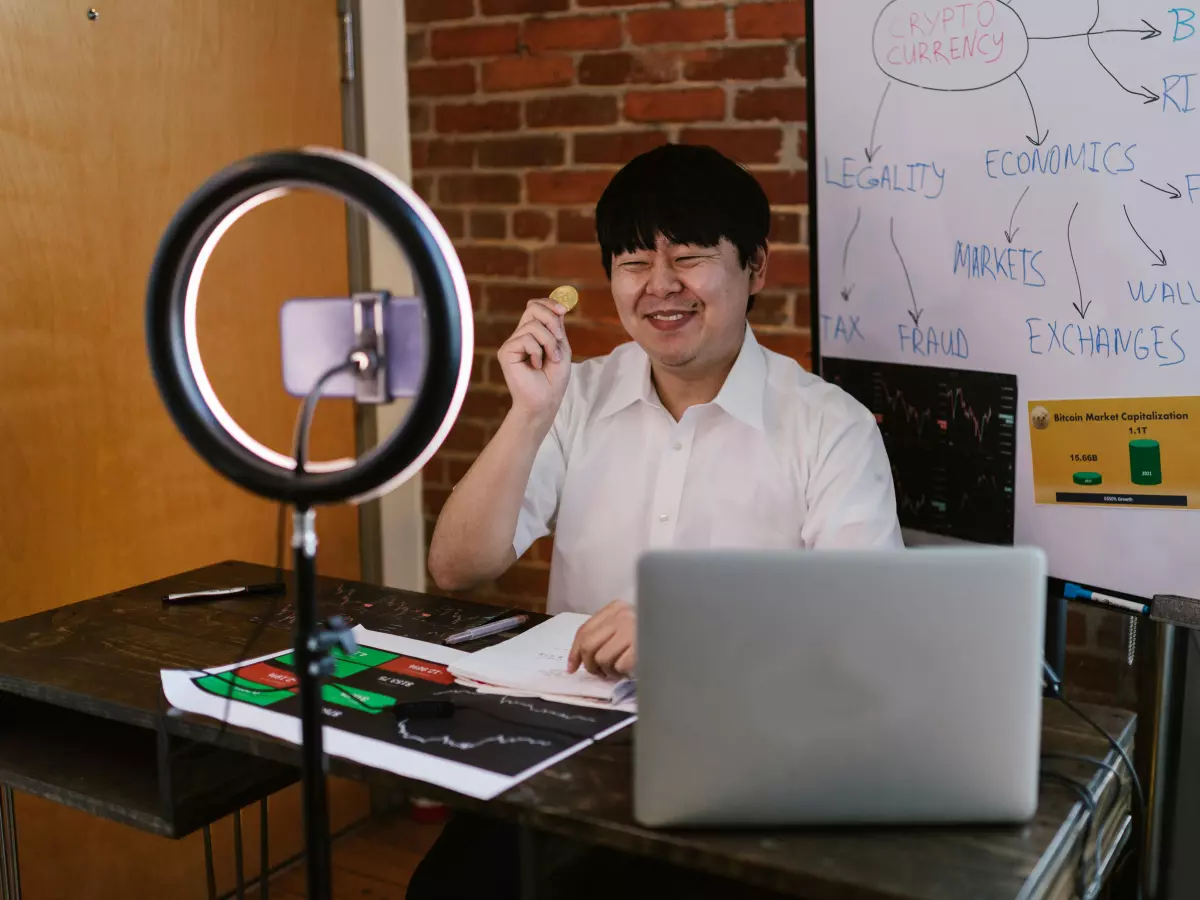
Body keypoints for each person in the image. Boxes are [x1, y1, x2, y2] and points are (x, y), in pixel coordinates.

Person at [407, 144, 902, 900]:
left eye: (692, 258)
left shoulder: (829, 427)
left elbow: (868, 629)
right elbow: (456, 566)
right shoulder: (578, 394)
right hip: (571, 747)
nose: (661, 287)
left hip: (747, 756)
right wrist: (528, 416)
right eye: (635, 262)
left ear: (756, 269)